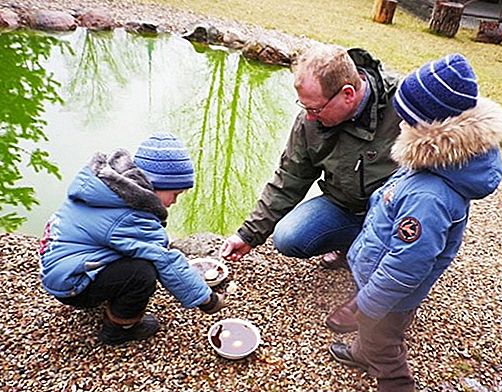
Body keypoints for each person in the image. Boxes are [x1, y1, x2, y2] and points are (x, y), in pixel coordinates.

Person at [328, 54, 502, 392]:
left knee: (385, 344)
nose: (400, 122)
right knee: (375, 332)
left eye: (407, 116)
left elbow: (407, 263)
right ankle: (363, 349)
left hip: (391, 292)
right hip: (381, 283)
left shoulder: (430, 194)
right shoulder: (436, 158)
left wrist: (368, 302)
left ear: (430, 124)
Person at [220, 45, 401, 276]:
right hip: (346, 206)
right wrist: (248, 235)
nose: (308, 116)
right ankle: (350, 244)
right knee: (289, 236)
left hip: (393, 213)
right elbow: (289, 179)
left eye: (315, 108)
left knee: (383, 266)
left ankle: (382, 258)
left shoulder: (403, 105)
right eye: (305, 107)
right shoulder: (310, 121)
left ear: (347, 94)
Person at [39, 132, 225, 345]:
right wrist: (208, 301)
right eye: (175, 193)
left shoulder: (110, 191)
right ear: (154, 186)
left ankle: (109, 292)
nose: (175, 201)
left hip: (59, 264)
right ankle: (119, 328)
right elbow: (165, 260)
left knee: (138, 258)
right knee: (142, 273)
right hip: (71, 284)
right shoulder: (130, 216)